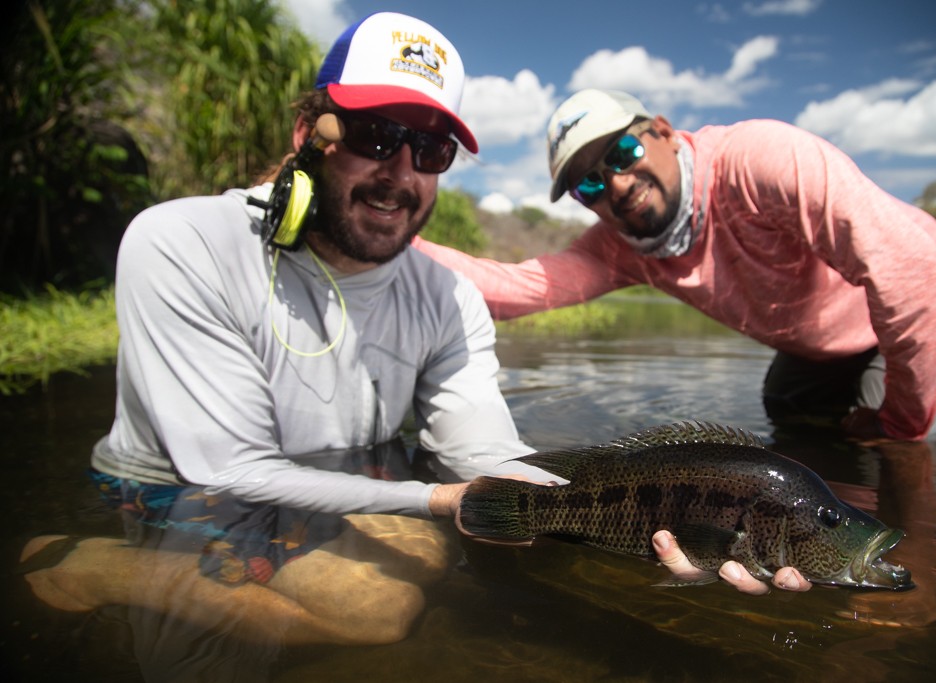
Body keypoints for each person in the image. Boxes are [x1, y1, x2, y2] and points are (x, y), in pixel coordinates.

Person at [17, 18, 804, 659]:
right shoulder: (182, 240)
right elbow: (224, 465)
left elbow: (483, 458)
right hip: (177, 491)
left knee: (456, 552)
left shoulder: (448, 297)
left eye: (429, 149)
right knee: (381, 612)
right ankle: (108, 561)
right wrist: (438, 498)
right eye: (375, 133)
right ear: (310, 131)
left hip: (348, 483)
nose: (401, 170)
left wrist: (673, 513)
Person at [415, 88, 936, 444]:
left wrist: (900, 424)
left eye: (623, 153)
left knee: (890, 449)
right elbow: (519, 289)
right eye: (589, 183)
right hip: (817, 342)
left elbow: (912, 274)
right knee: (786, 411)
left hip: (926, 301)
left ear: (661, 130)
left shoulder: (761, 162)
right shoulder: (621, 245)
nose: (615, 183)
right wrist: (387, 241)